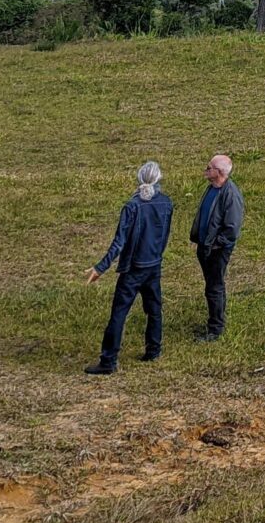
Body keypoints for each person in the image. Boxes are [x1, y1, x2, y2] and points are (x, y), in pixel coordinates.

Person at [84, 159, 175, 374]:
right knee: (154, 310)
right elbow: (164, 236)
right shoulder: (166, 203)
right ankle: (153, 350)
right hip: (153, 265)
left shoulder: (132, 206)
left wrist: (100, 268)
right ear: (159, 179)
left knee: (119, 313)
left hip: (133, 268)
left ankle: (109, 360)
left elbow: (119, 242)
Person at [189, 151, 244, 340]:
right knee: (212, 286)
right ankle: (214, 322)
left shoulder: (231, 195)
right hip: (205, 247)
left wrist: (214, 245)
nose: (206, 169)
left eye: (209, 167)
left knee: (215, 287)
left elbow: (231, 230)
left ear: (219, 172)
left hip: (217, 251)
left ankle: (215, 329)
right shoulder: (212, 188)